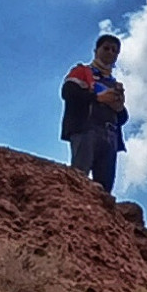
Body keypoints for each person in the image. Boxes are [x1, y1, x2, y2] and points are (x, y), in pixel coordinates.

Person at [60, 35, 127, 192]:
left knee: (104, 186)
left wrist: (119, 108)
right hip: (86, 129)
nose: (110, 52)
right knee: (79, 176)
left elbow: (122, 117)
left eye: (115, 50)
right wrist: (98, 98)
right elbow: (68, 92)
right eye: (106, 48)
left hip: (110, 133)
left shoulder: (113, 83)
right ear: (96, 50)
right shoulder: (82, 71)